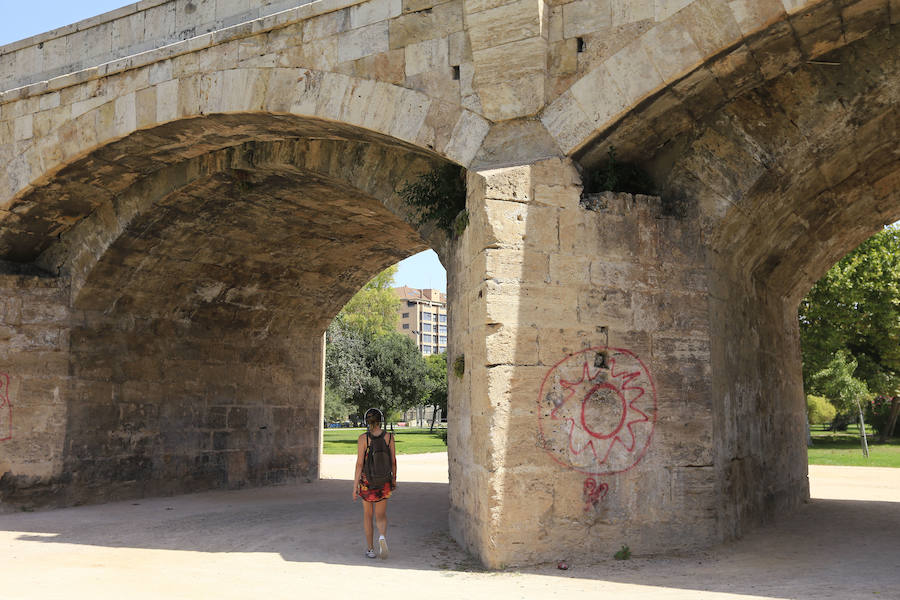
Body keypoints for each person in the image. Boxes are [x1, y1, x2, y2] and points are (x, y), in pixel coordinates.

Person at [352, 407, 397, 559]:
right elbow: (393, 461)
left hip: (367, 482)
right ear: (380, 420)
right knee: (381, 515)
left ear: (367, 421)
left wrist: (354, 487)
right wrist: (394, 479)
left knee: (367, 515)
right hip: (384, 481)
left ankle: (370, 549)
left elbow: (359, 464)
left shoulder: (363, 438)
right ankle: (382, 536)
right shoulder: (389, 437)